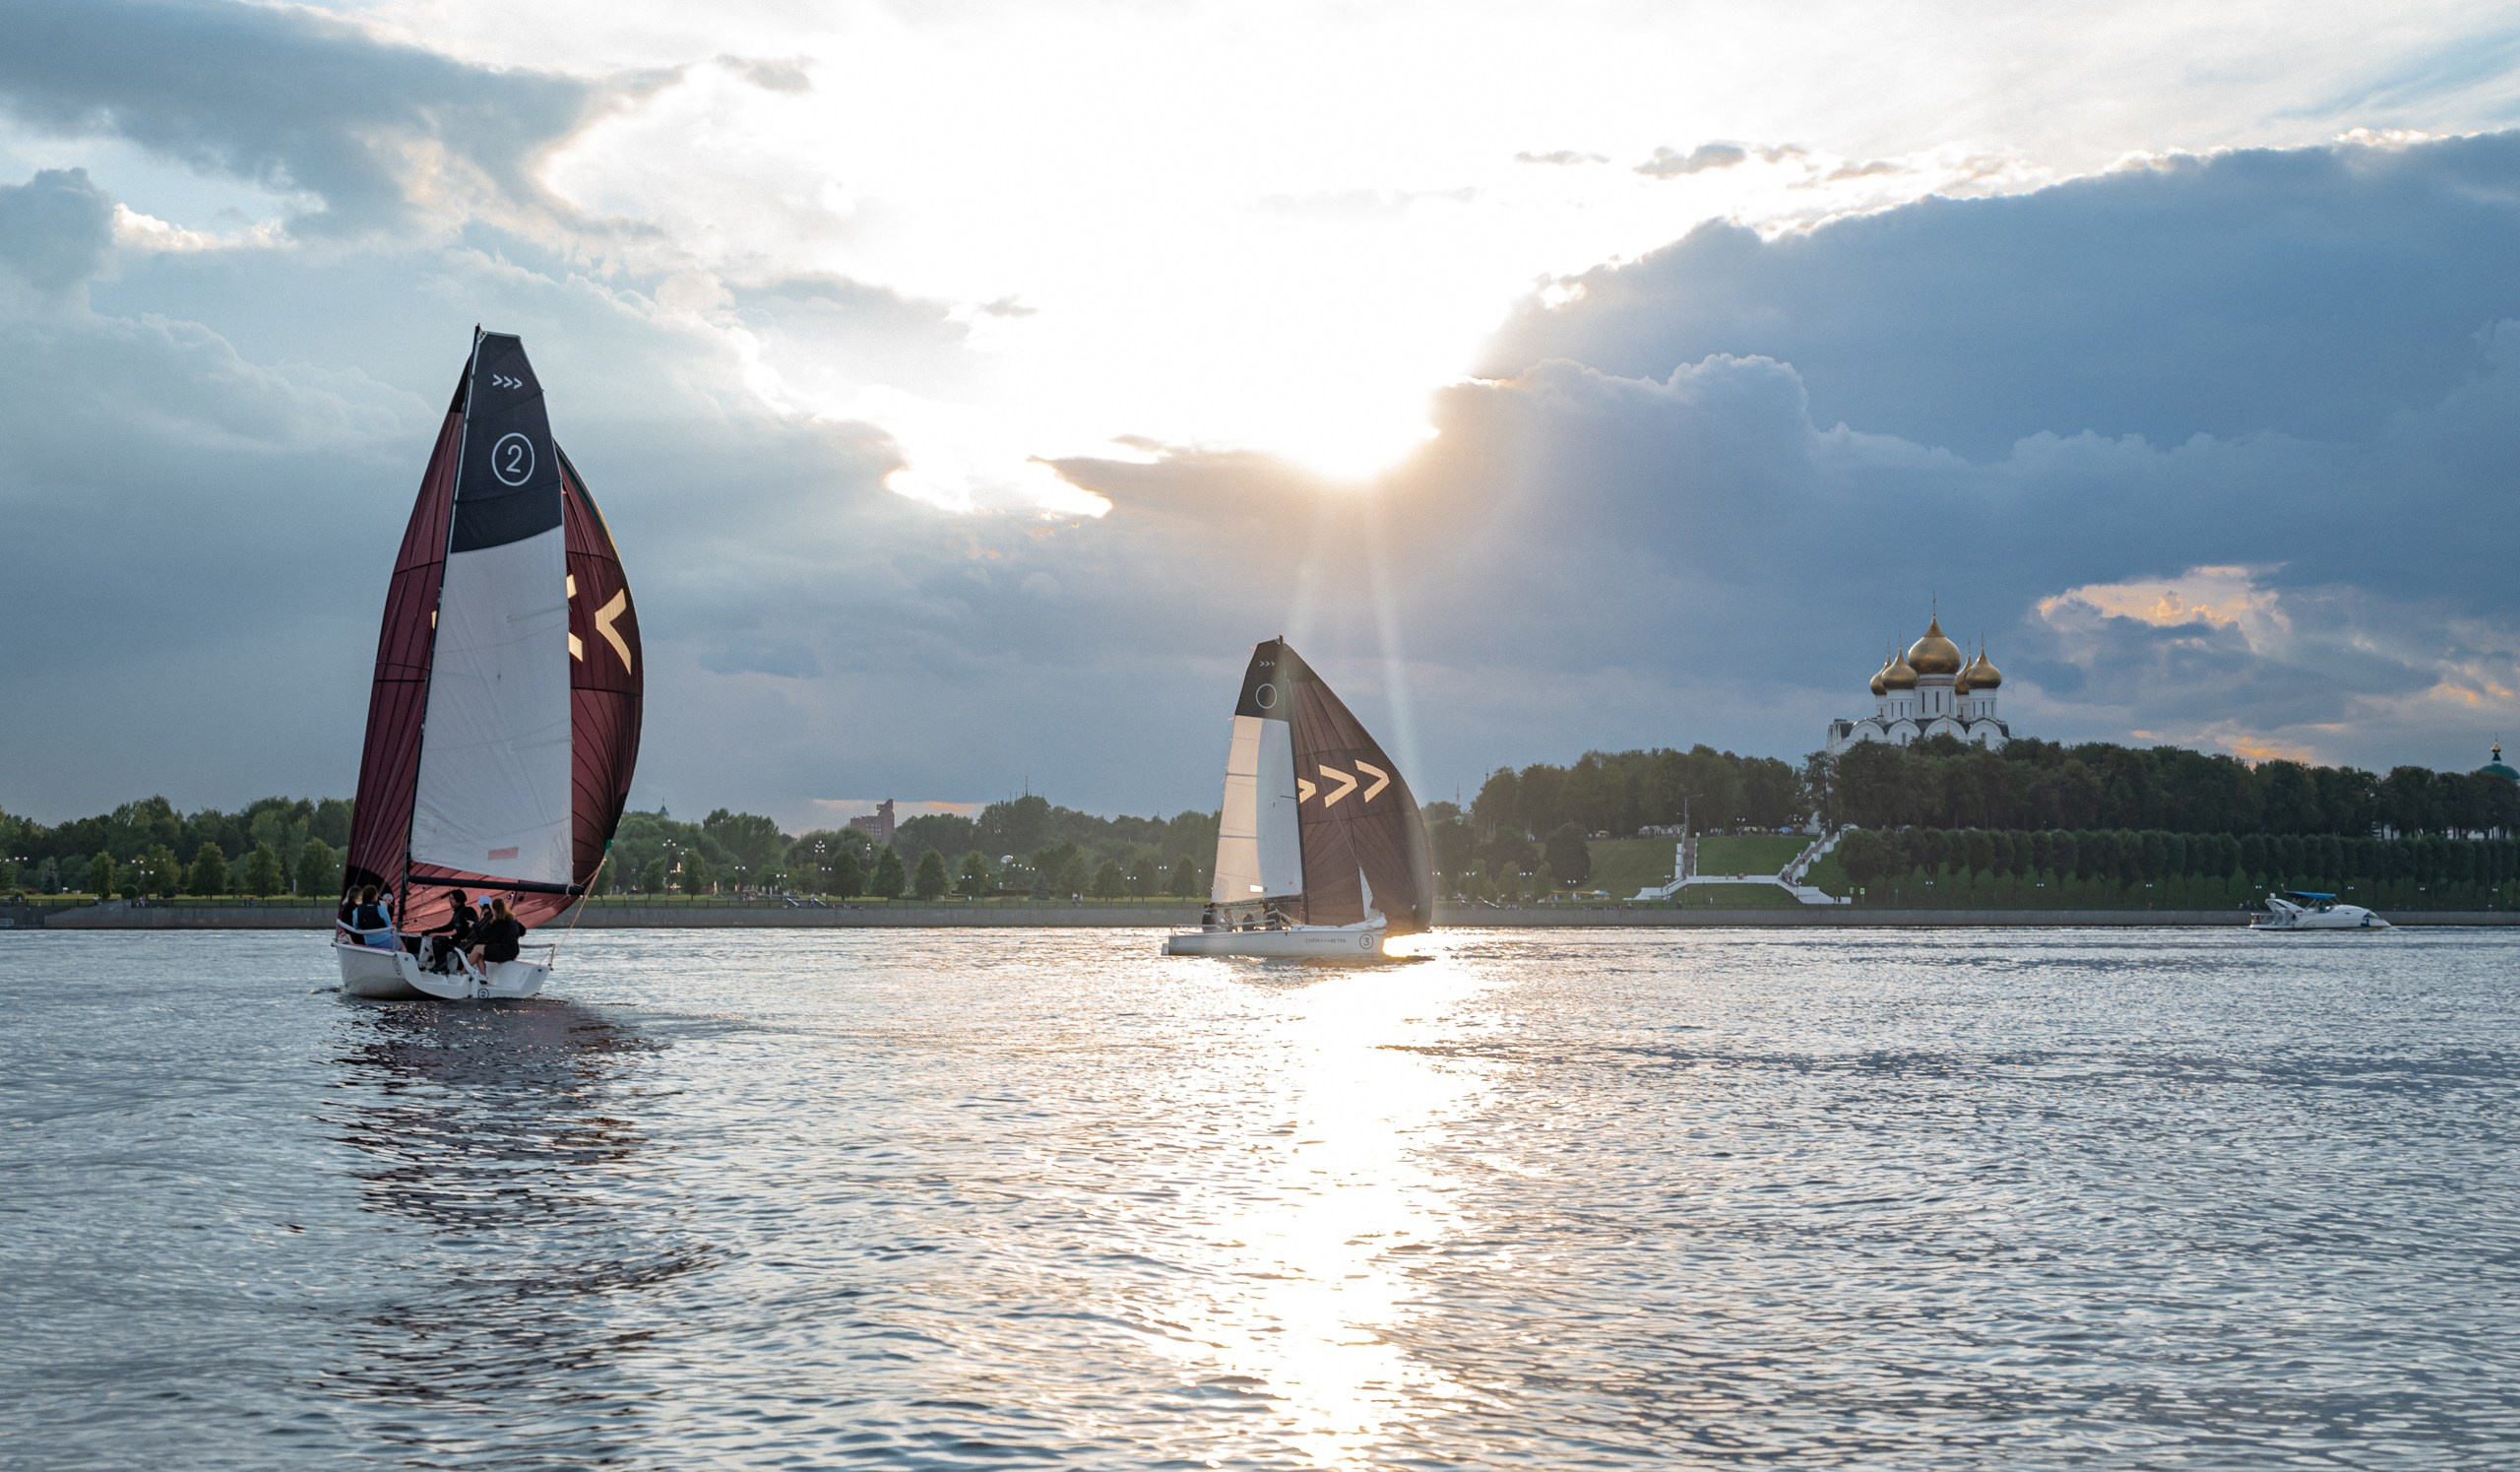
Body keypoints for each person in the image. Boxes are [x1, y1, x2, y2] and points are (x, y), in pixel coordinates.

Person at [467, 896, 526, 971]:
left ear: (494, 909)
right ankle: (482, 976)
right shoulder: (512, 919)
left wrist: (474, 926)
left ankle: (463, 973)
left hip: (504, 951)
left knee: (477, 949)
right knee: (480, 950)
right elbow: (522, 931)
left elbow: (485, 937)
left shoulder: (499, 922)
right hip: (514, 950)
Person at [427, 888, 475, 973]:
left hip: (467, 941)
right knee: (439, 940)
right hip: (459, 939)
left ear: (459, 899)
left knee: (437, 940)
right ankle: (442, 967)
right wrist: (430, 931)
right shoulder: (457, 913)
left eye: (452, 899)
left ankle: (442, 968)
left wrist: (451, 937)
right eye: (449, 899)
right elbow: (449, 927)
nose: (450, 901)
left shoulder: (468, 911)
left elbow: (467, 930)